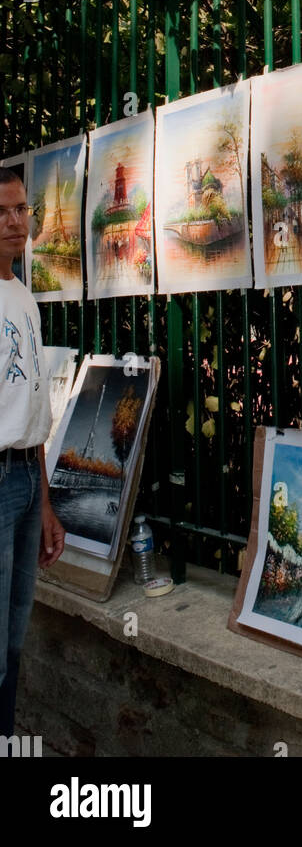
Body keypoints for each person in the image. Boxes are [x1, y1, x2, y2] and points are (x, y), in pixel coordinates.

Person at [0, 168, 65, 740]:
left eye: (21, 210)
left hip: (23, 480)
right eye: (2, 212)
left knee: (14, 642)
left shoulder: (23, 295)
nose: (14, 222)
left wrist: (43, 501)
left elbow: (36, 410)